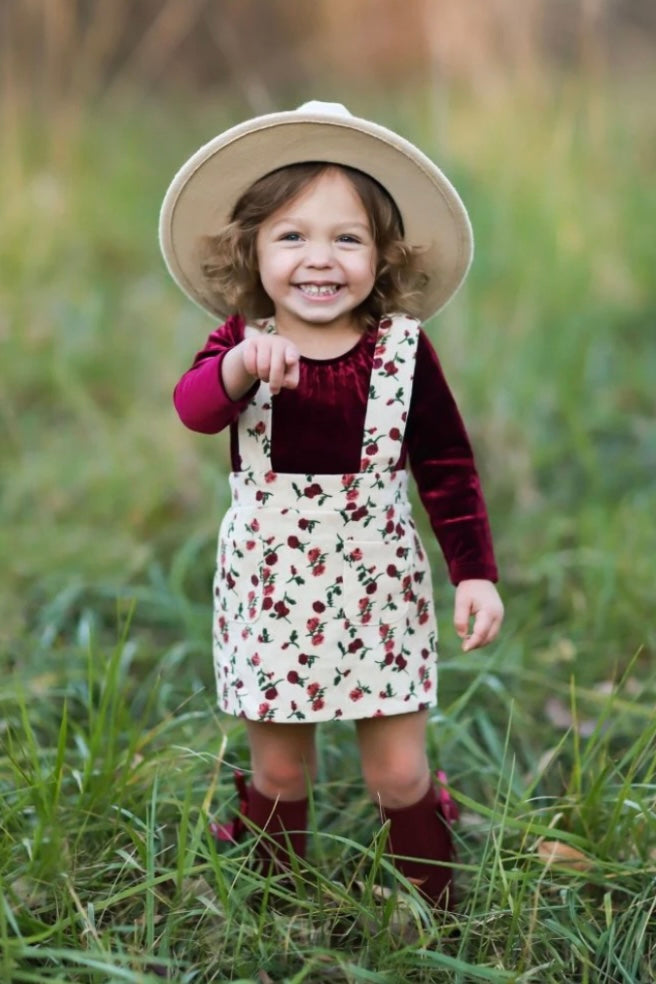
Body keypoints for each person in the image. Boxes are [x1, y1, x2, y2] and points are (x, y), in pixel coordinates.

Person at [160, 101, 504, 911]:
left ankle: (433, 904)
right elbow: (193, 409)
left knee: (398, 769)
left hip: (378, 588)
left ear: (382, 257)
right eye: (292, 236)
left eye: (346, 238)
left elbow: (447, 465)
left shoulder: (401, 352)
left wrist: (476, 574)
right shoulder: (237, 344)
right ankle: (273, 905)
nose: (320, 260)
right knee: (282, 768)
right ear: (253, 250)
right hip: (271, 591)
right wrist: (243, 364)